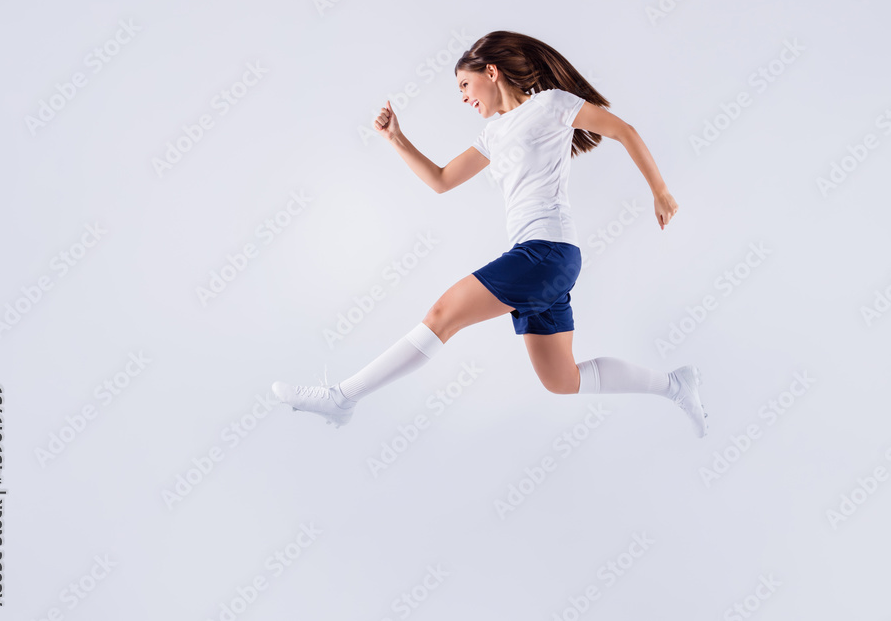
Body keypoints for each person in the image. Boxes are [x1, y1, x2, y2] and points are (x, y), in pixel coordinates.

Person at [272, 30, 708, 437]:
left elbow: (623, 130)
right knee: (562, 380)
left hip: (547, 251)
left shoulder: (551, 104)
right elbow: (442, 179)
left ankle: (341, 398)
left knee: (443, 314)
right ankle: (675, 385)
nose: (462, 97)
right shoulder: (494, 132)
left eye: (464, 85)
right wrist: (396, 138)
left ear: (491, 72)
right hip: (543, 259)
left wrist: (661, 192)